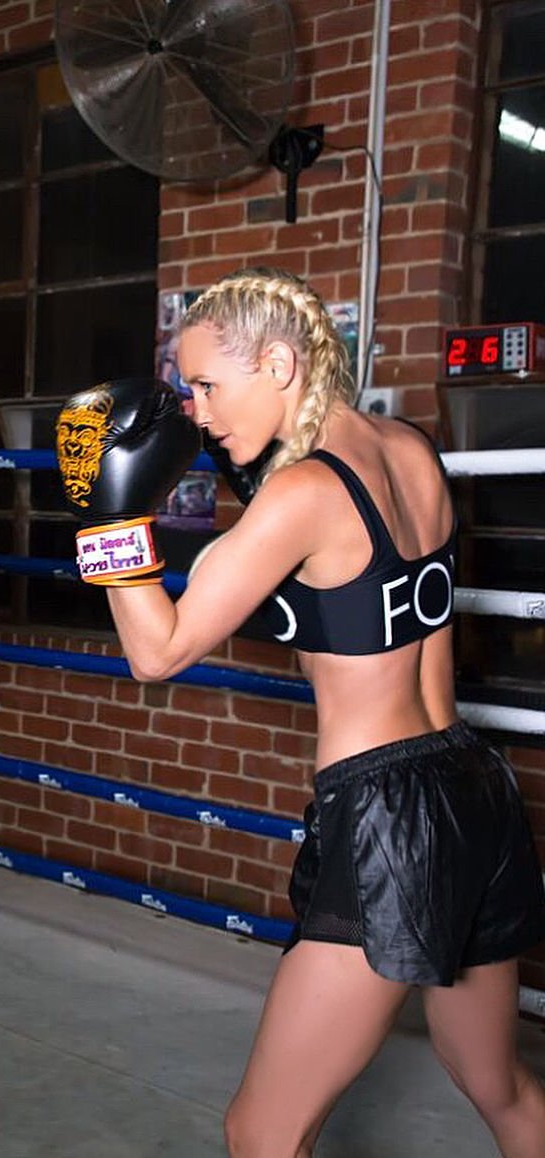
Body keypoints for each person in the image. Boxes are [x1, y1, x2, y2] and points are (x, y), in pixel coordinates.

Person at [56, 267, 545, 1157]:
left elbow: (156, 653)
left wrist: (107, 516)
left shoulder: (303, 495)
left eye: (208, 385)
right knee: (499, 1086)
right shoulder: (409, 448)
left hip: (389, 819)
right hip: (473, 788)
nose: (198, 411)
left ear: (280, 366)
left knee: (262, 1132)